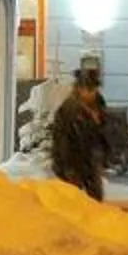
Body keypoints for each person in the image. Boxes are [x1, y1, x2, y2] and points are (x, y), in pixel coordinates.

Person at [48, 64, 109, 200]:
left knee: (94, 201)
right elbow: (63, 139)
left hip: (91, 161)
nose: (90, 92)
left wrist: (104, 157)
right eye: (86, 88)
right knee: (74, 202)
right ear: (78, 88)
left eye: (93, 88)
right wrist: (66, 166)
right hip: (72, 162)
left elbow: (102, 134)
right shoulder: (69, 109)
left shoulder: (99, 105)